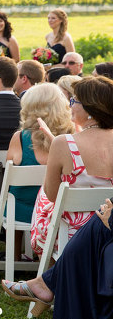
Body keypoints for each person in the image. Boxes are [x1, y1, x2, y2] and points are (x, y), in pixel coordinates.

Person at [2, 199, 113, 319]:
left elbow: (53, 194)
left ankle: (46, 283)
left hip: (68, 226)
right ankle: (45, 283)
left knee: (47, 213)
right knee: (95, 223)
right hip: (87, 221)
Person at [30, 76, 113, 256]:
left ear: (89, 108)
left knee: (42, 198)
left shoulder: (63, 143)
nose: (70, 105)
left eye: (74, 100)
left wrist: (57, 148)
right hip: (110, 230)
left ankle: (50, 272)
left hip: (74, 236)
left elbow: (52, 195)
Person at [6, 84, 74, 227]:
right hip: (60, 214)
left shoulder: (19, 139)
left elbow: (8, 179)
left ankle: (15, 250)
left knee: (13, 197)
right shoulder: (73, 138)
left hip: (19, 213)